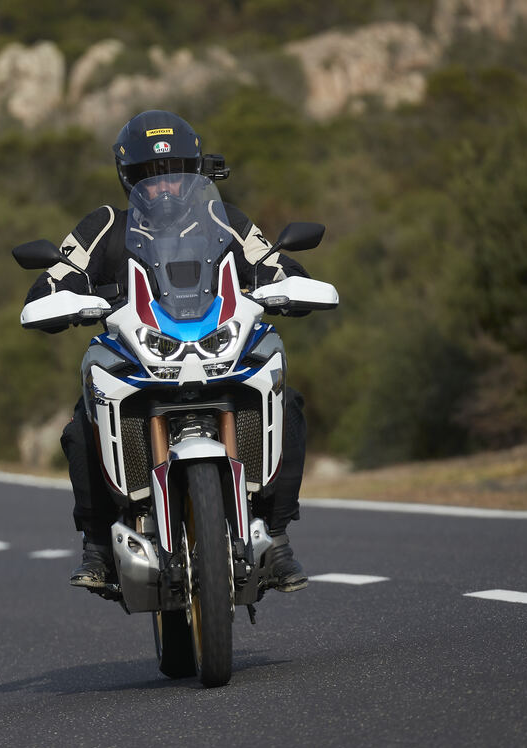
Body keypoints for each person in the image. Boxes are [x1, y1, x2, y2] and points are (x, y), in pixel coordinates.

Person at [23, 109, 311, 594]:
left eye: (174, 173)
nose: (163, 187)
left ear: (195, 172)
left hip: (219, 344)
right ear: (128, 178)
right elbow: (53, 279)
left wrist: (288, 285)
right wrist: (63, 299)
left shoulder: (224, 218)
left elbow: (273, 261)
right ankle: (97, 545)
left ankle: (277, 536)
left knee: (288, 400)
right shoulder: (105, 225)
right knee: (81, 425)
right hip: (137, 356)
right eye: (149, 176)